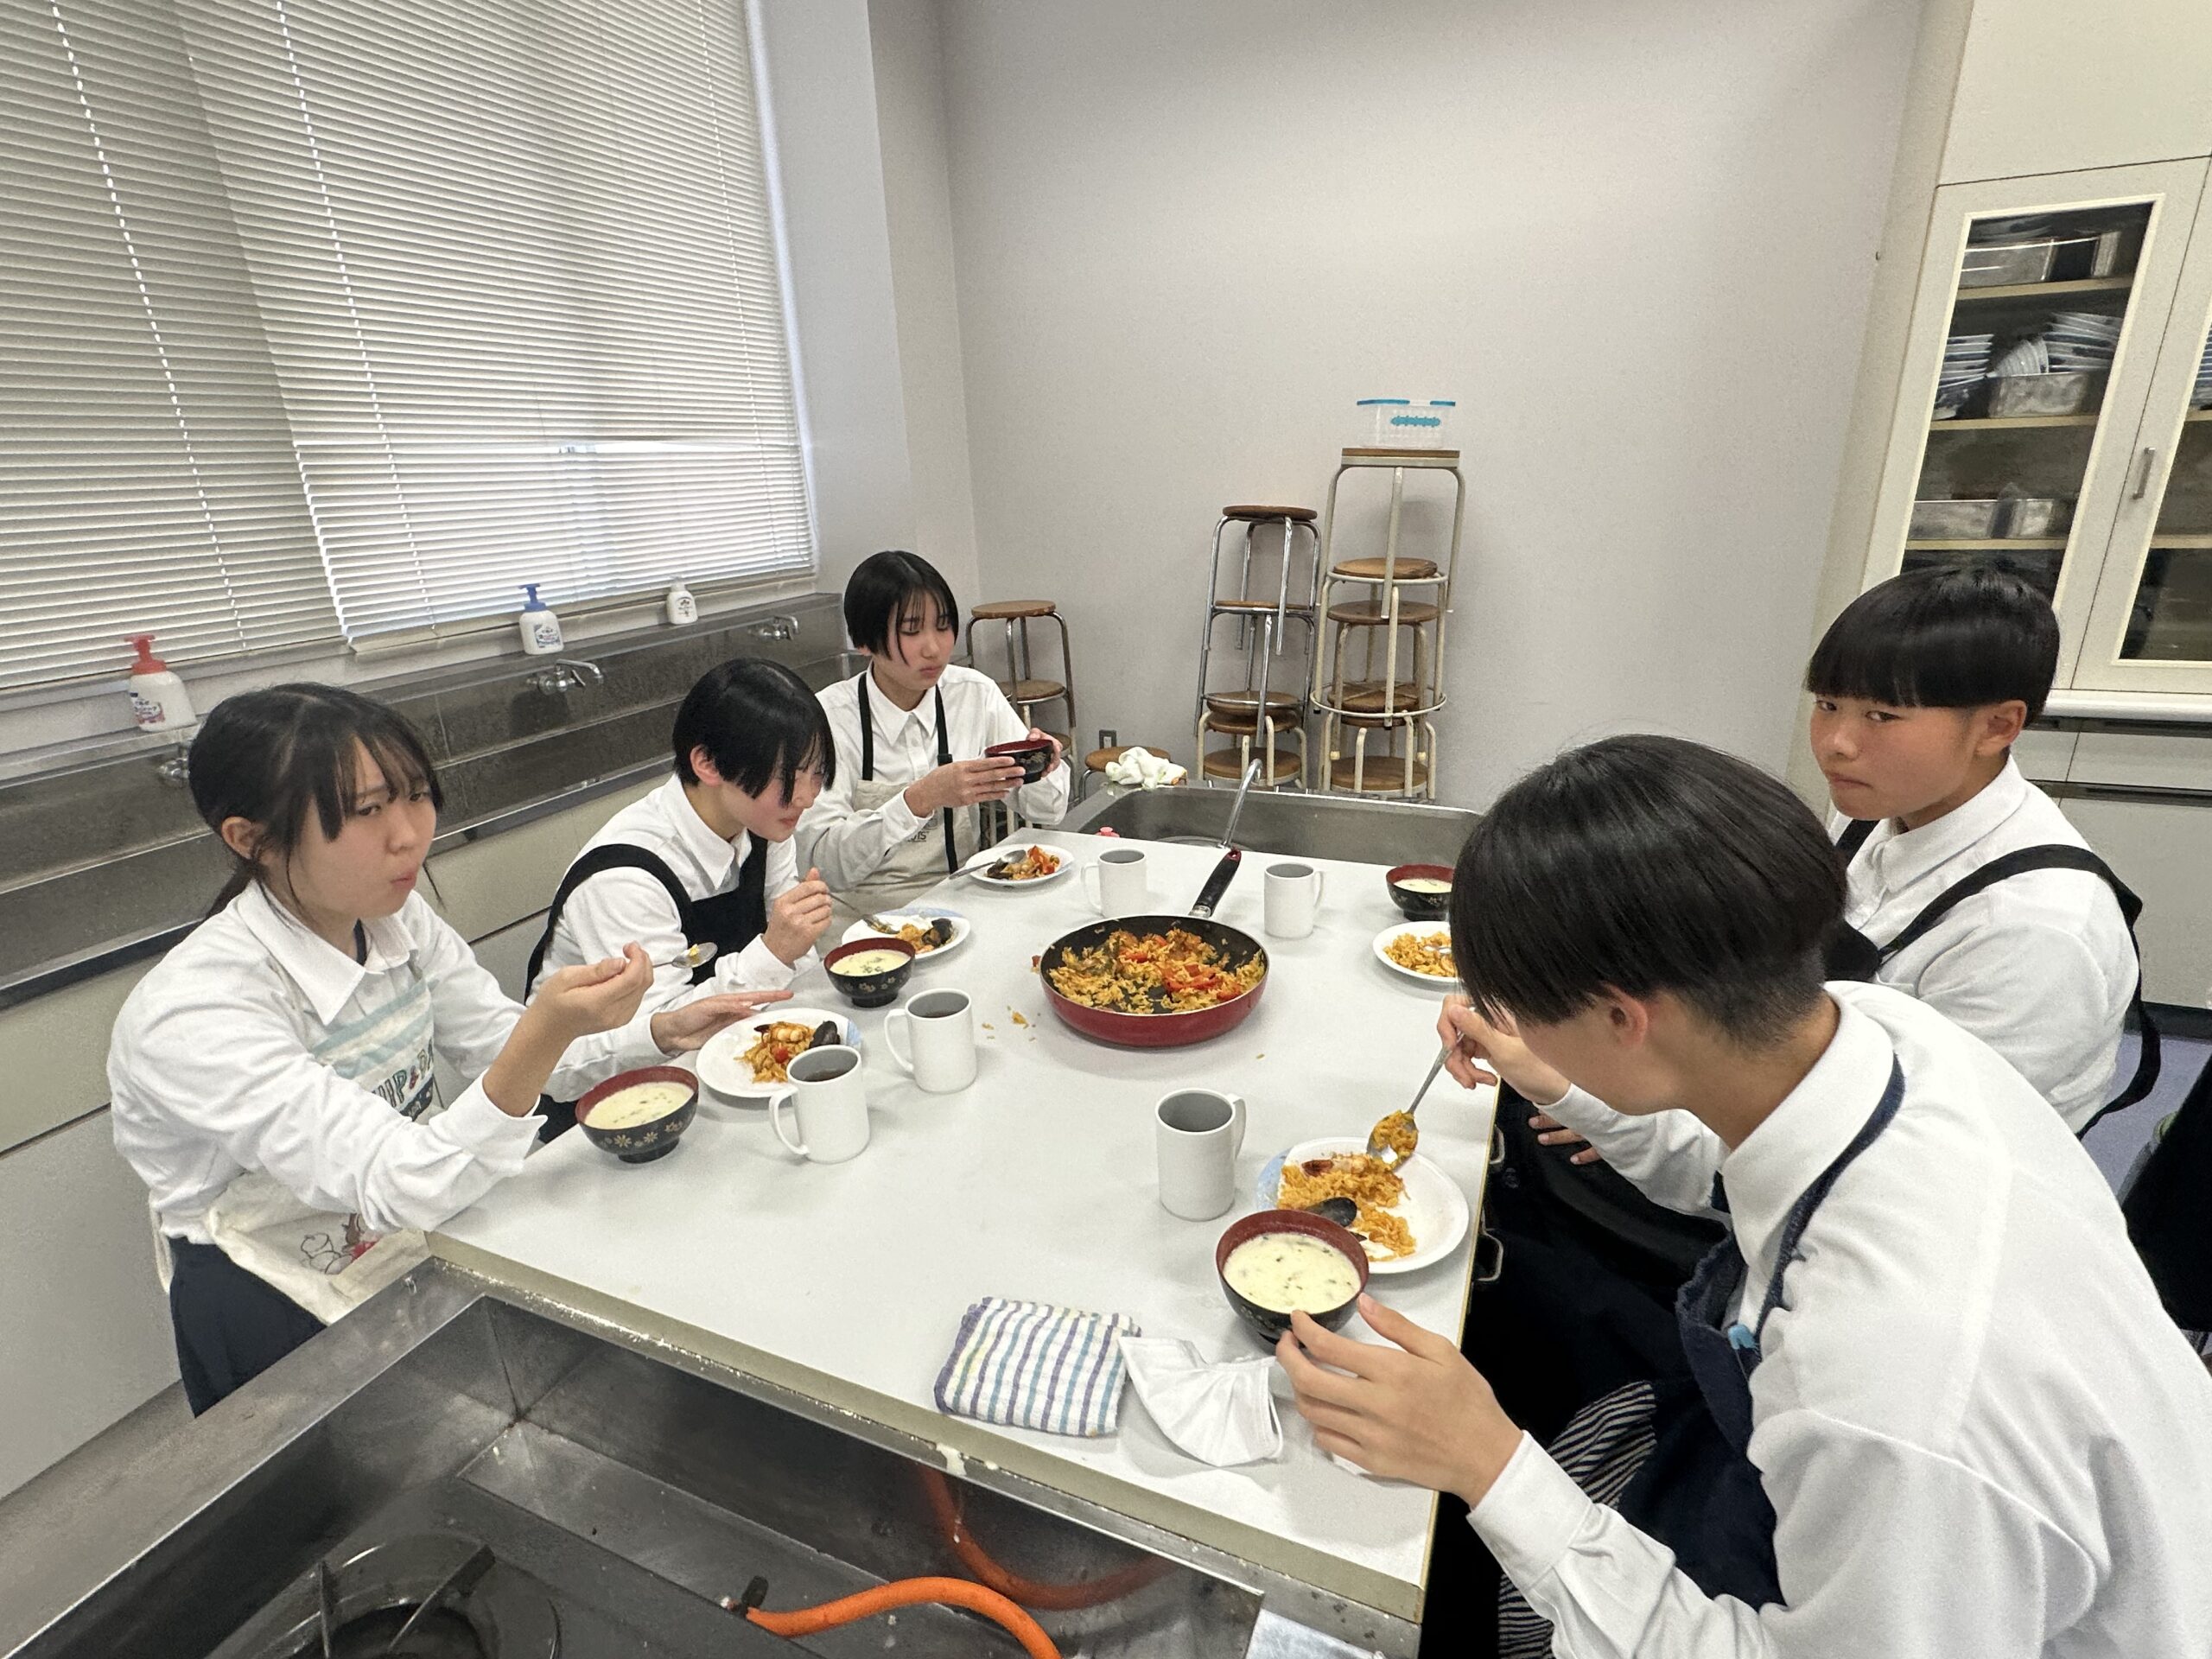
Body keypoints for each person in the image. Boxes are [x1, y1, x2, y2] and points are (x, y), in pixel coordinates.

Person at [1281, 735, 2212, 1658]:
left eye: (1523, 1009)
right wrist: (1562, 1082)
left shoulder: (1890, 1385)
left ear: (1622, 1018)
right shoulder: (1887, 1029)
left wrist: (1486, 1460)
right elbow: (1729, 1165)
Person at [108, 685, 779, 1414]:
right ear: (251, 839)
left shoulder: (393, 921)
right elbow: (403, 1174)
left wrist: (658, 1030)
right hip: (269, 1290)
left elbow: (500, 1046)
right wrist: (545, 1031)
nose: (408, 836)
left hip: (408, 1228)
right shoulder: (195, 1011)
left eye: (416, 796)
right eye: (366, 811)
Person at [526, 658, 837, 1017]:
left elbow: (796, 969)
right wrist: (774, 952)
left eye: (818, 773)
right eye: (788, 776)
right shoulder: (625, 877)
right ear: (708, 764)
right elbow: (661, 1027)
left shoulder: (764, 825)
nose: (807, 797)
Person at [797, 550, 1069, 927]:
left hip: (962, 913)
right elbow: (822, 864)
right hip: (862, 928)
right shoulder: (827, 719)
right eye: (911, 630)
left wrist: (1041, 766)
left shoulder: (973, 694)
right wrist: (919, 799)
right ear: (864, 641)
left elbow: (1051, 810)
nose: (934, 648)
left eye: (942, 626)